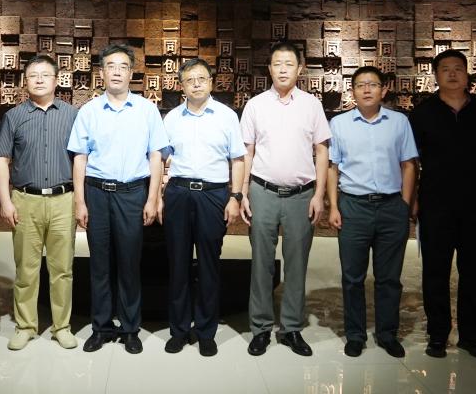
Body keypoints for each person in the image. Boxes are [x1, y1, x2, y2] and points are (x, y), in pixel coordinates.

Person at [67, 44, 169, 354]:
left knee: (129, 264)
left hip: (132, 194)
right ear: (102, 72)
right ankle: (101, 327)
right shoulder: (89, 111)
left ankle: (129, 328)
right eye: (110, 66)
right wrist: (80, 201)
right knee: (99, 264)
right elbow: (80, 158)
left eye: (123, 66)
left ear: (131, 73)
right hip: (97, 193)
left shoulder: (146, 110)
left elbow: (156, 156)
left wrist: (152, 198)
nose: (116, 72)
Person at [408, 49, 476, 360]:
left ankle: (470, 335)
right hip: (435, 203)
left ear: (467, 74)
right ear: (435, 76)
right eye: (445, 69)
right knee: (435, 271)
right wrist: (412, 199)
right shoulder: (423, 113)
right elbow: (410, 161)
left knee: (474, 271)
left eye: (458, 69)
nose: (452, 74)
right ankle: (438, 334)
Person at [239, 41, 331, 357]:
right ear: (269, 68)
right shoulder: (255, 105)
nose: (282, 69)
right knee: (261, 264)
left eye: (289, 64)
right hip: (262, 192)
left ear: (299, 69)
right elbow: (247, 152)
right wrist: (243, 192)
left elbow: (322, 151)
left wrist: (319, 195)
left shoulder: (311, 105)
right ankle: (261, 328)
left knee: (297, 263)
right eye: (277, 63)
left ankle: (291, 328)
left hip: (301, 195)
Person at [326, 67, 418, 358]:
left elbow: (409, 165)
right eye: (360, 85)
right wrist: (334, 205)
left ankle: (387, 334)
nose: (366, 90)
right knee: (352, 277)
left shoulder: (399, 122)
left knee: (389, 277)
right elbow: (332, 168)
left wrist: (404, 204)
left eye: (373, 84)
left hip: (391, 206)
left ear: (384, 89)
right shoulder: (339, 124)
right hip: (353, 206)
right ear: (352, 91)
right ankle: (355, 335)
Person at [159, 58, 245, 357]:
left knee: (209, 264)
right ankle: (179, 330)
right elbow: (160, 158)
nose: (196, 84)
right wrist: (157, 195)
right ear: (181, 86)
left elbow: (238, 159)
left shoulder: (226, 116)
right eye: (189, 80)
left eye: (201, 78)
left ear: (211, 82)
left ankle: (206, 332)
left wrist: (235, 197)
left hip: (213, 195)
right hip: (179, 193)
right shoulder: (171, 118)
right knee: (178, 264)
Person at [0, 55, 79, 351]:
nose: (39, 79)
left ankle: (62, 327)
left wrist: (81, 200)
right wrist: (6, 201)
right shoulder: (14, 116)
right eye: (33, 75)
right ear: (25, 81)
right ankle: (25, 326)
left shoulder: (72, 115)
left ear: (56, 80)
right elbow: (1, 160)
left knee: (62, 269)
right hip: (25, 200)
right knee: (26, 270)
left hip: (63, 200)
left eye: (45, 74)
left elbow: (82, 160)